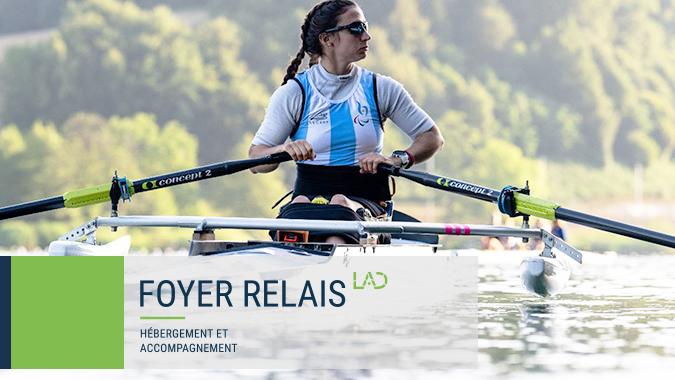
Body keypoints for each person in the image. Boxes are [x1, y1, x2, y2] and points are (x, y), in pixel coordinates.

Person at [249, 0, 444, 243]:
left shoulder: (380, 88)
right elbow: (257, 160)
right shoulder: (294, 93)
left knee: (339, 216)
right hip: (307, 205)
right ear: (327, 39)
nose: (367, 36)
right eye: (356, 28)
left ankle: (321, 267)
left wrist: (396, 159)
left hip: (367, 203)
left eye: (365, 26)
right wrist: (282, 149)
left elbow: (432, 137)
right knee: (301, 206)